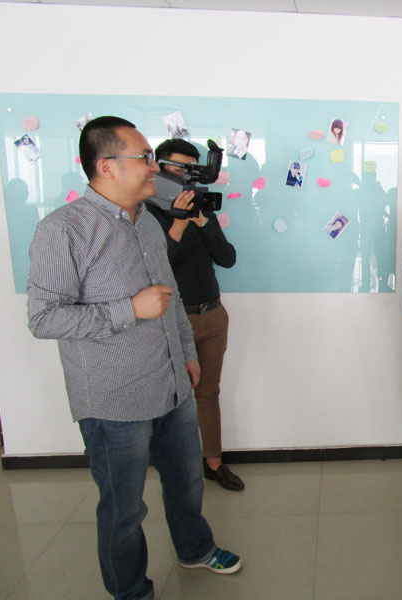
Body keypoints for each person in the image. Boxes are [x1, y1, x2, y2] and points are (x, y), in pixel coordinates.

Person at [26, 116, 241, 600]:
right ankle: (131, 591)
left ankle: (195, 549)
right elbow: (43, 318)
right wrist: (129, 309)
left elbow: (170, 296)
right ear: (106, 166)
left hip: (172, 383)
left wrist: (186, 352)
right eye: (144, 158)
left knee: (186, 483)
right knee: (124, 509)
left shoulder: (146, 221)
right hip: (113, 400)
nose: (154, 168)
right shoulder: (62, 230)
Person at [146, 138, 243, 492]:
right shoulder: (147, 213)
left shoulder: (200, 208)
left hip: (212, 314)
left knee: (208, 393)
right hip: (174, 320)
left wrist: (201, 220)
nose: (184, 176)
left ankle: (214, 463)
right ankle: (176, 468)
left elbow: (227, 258)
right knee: (172, 398)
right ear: (159, 167)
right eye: (177, 167)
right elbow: (159, 268)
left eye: (191, 169)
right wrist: (178, 222)